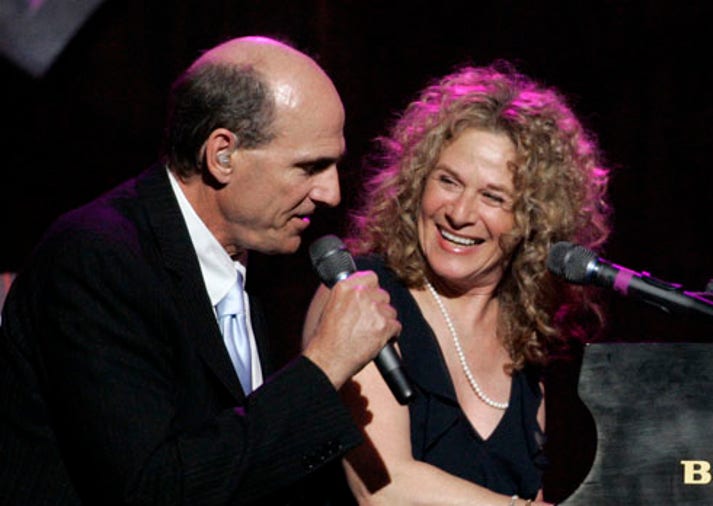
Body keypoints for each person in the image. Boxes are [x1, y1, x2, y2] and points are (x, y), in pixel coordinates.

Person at [0, 36, 400, 504]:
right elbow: (153, 489)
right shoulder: (98, 259)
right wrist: (325, 365)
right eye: (310, 166)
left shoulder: (252, 256)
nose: (331, 192)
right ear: (222, 155)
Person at [304, 62, 612, 505]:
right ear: (415, 182)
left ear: (533, 221)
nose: (461, 212)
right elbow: (387, 490)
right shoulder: (359, 293)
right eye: (448, 181)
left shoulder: (523, 341)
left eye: (493, 197)